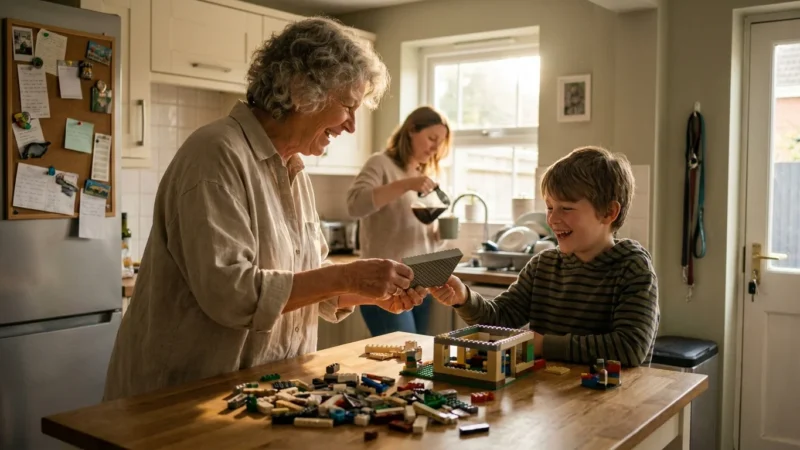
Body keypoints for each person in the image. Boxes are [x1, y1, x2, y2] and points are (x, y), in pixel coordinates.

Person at [103, 17, 428, 401]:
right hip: (180, 398)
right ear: (300, 89)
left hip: (260, 394)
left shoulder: (293, 170)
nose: (352, 126)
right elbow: (233, 293)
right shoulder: (215, 154)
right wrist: (349, 278)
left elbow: (306, 281)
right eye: (347, 106)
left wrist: (367, 291)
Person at [429, 146, 659, 367]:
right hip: (548, 398)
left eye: (566, 208)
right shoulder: (543, 264)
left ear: (609, 212)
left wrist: (541, 345)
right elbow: (499, 318)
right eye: (550, 207)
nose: (552, 219)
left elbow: (630, 348)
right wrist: (464, 298)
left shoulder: (633, 268)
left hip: (610, 401)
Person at [346, 106, 452, 336]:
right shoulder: (380, 164)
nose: (436, 147)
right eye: (432, 138)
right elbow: (355, 205)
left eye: (440, 141)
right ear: (412, 130)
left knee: (416, 360)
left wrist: (442, 233)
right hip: (387, 282)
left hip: (422, 282)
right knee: (401, 358)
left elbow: (425, 236)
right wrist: (406, 184)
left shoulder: (427, 175)